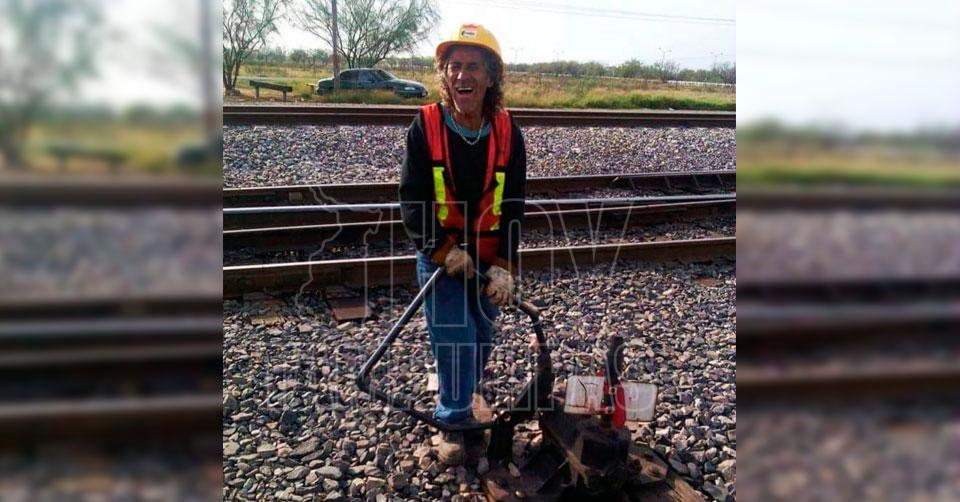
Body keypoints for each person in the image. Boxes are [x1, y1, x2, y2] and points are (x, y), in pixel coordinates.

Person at [399, 23, 526, 466]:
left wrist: (505, 265)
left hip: (487, 261)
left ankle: (462, 394)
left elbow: (514, 205)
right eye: (453, 66)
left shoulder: (508, 132)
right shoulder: (426, 126)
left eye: (472, 66)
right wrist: (444, 251)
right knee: (455, 337)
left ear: (491, 77)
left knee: (482, 335)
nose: (461, 75)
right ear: (444, 75)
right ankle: (453, 420)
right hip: (442, 260)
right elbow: (412, 200)